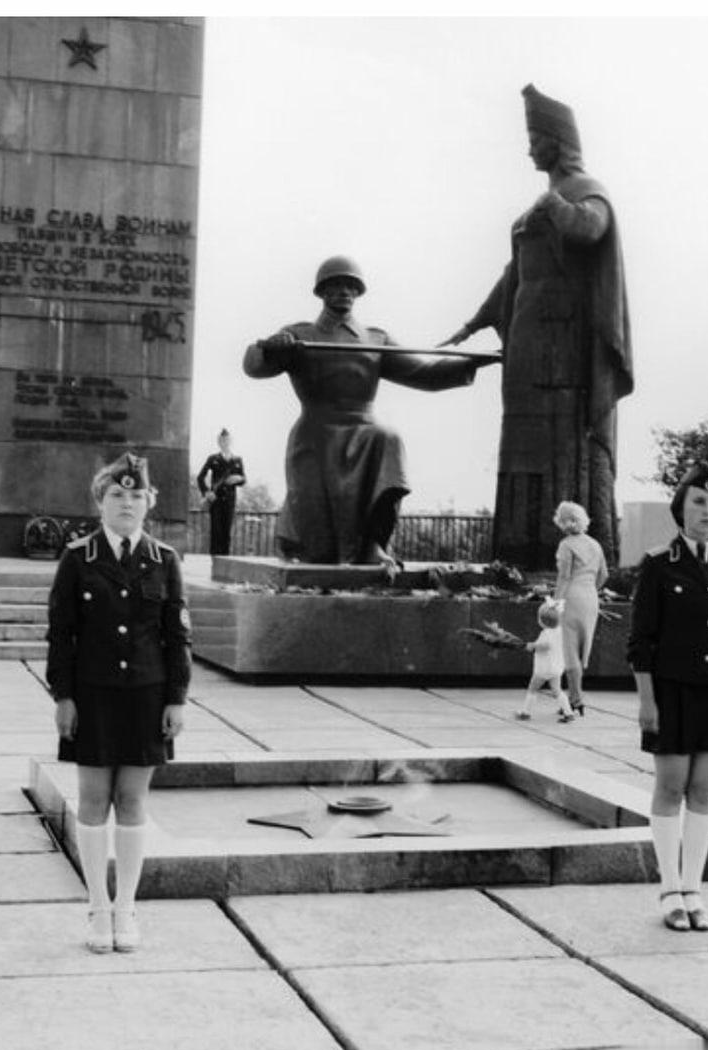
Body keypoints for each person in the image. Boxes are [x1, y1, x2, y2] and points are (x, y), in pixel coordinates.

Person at [439, 84, 633, 569]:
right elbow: (514, 276)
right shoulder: (542, 201)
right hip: (526, 345)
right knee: (523, 442)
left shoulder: (586, 190)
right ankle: (518, 548)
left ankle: (567, 553)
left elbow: (591, 228)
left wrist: (557, 208)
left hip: (563, 347)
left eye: (535, 137)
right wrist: (474, 322)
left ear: (558, 141)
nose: (529, 147)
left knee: (562, 444)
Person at [244, 255, 499, 566]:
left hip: (364, 434)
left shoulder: (375, 339)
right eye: (336, 286)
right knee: (318, 550)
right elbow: (254, 366)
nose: (344, 292)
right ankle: (308, 549)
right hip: (316, 434)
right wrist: (269, 349)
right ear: (322, 292)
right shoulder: (301, 335)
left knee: (387, 438)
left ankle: (373, 545)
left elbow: (425, 374)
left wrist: (480, 360)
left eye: (351, 287)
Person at [45, 452, 191, 953]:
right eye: (116, 495)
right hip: (93, 697)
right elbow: (60, 637)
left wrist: (177, 700)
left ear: (149, 503)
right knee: (91, 801)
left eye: (135, 496)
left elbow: (177, 638)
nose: (126, 503)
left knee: (131, 802)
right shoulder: (77, 558)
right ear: (100, 502)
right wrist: (62, 697)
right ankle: (97, 910)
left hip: (147, 698)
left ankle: (126, 908)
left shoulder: (164, 561)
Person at [627, 461, 708, 933]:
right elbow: (641, 640)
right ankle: (669, 890)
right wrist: (647, 701)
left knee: (703, 791)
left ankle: (694, 889)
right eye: (699, 501)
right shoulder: (660, 564)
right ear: (680, 509)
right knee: (670, 787)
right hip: (672, 689)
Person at [553, 500, 608, 716]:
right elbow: (604, 574)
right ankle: (575, 697)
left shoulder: (566, 545)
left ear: (562, 522)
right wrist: (590, 589)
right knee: (583, 648)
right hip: (590, 597)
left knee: (569, 649)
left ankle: (576, 699)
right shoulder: (595, 544)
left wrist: (555, 603)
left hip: (571, 596)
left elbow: (564, 577)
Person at [515, 600, 574, 722]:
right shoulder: (560, 630)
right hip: (556, 666)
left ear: (542, 622)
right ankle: (569, 713)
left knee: (532, 688)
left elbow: (545, 645)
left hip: (544, 668)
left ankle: (525, 712)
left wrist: (533, 646)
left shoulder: (546, 633)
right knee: (557, 690)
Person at [196, 428, 246, 556]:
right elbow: (200, 477)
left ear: (231, 442)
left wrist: (238, 479)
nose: (225, 442)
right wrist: (206, 492)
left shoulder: (237, 460)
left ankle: (225, 562)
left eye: (227, 440)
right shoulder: (213, 459)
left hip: (230, 500)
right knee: (216, 531)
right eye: (222, 440)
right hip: (216, 499)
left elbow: (244, 479)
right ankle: (215, 563)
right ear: (219, 442)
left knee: (226, 532)